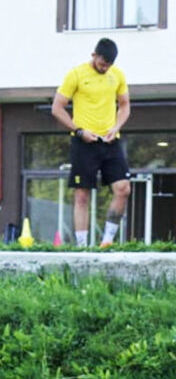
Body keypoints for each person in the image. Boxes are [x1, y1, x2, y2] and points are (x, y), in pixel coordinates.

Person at [51, 38, 131, 248]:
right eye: (102, 63)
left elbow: (124, 105)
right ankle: (82, 246)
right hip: (84, 141)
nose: (105, 68)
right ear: (94, 55)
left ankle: (107, 241)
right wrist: (79, 131)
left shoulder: (117, 75)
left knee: (123, 188)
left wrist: (116, 127)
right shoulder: (76, 74)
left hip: (110, 140)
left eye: (109, 65)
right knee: (82, 194)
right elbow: (57, 107)